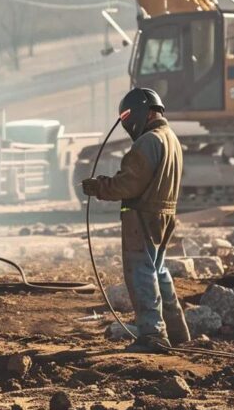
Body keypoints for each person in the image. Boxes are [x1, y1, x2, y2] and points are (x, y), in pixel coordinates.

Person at [81, 88, 191, 353]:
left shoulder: (148, 141)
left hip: (142, 216)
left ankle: (152, 334)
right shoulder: (171, 138)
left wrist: (99, 187)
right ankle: (177, 332)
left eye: (128, 116)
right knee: (158, 271)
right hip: (165, 215)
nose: (128, 123)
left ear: (143, 111)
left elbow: (129, 184)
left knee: (141, 272)